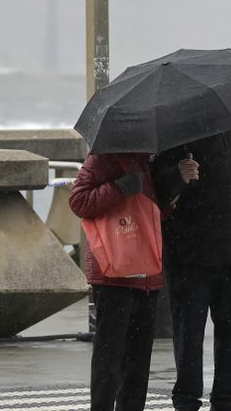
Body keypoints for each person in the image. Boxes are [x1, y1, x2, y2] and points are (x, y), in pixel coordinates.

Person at [151, 124, 231, 411]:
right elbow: (154, 189)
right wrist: (177, 176)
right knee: (189, 334)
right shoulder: (176, 132)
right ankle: (186, 402)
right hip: (191, 257)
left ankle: (227, 402)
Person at [69, 152, 195, 411]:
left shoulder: (146, 161)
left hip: (146, 274)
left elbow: (148, 212)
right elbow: (79, 201)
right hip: (115, 275)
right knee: (110, 357)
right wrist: (120, 187)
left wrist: (173, 193)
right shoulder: (103, 157)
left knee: (138, 362)